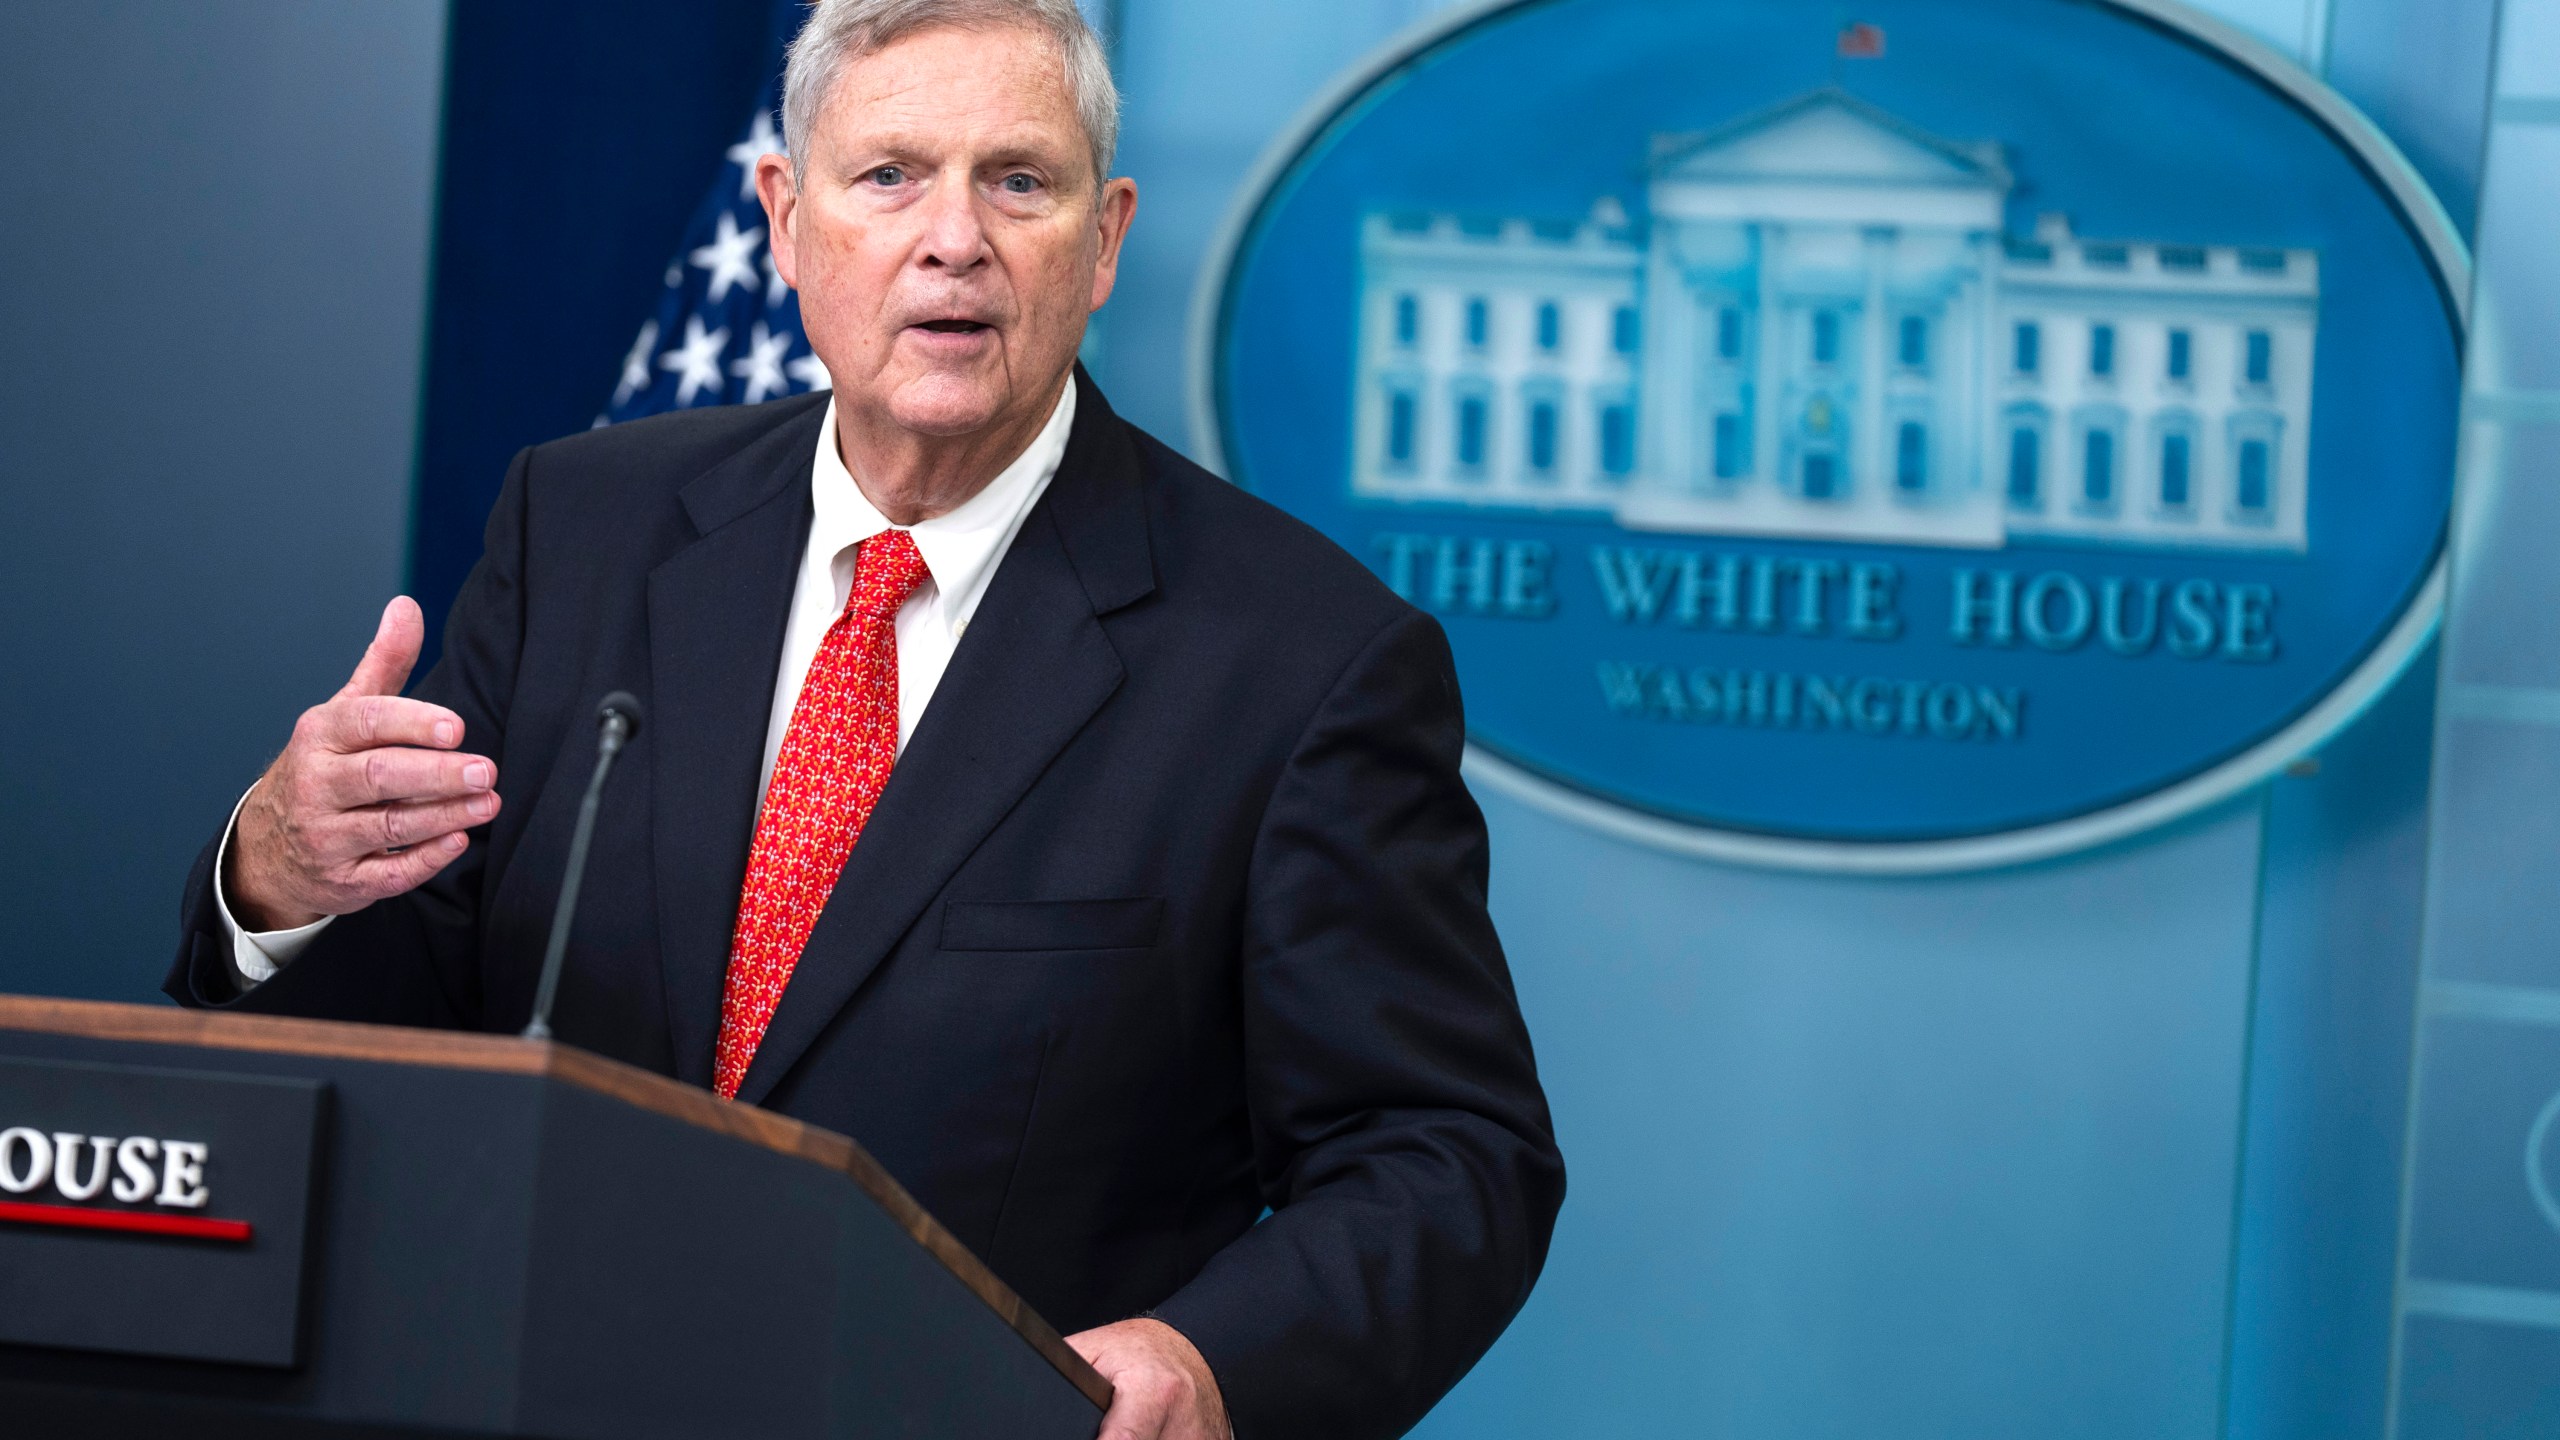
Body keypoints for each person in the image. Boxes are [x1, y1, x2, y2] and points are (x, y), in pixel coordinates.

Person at [166, 1, 1562, 1435]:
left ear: (1105, 239)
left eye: (1018, 181)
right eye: (889, 174)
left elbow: (1449, 1152)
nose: (953, 236)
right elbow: (420, 1034)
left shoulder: (1303, 660)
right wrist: (276, 881)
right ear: (784, 218)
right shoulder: (581, 525)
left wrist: (1211, 1358)